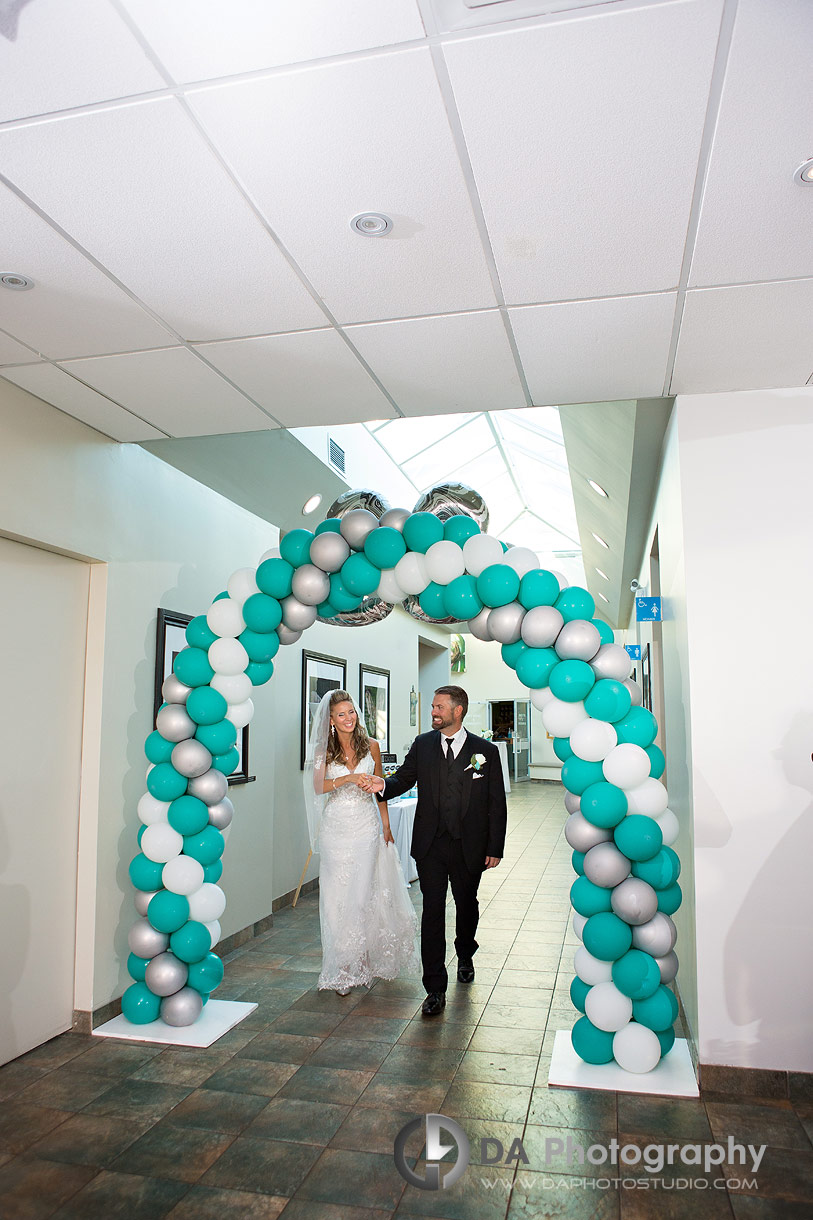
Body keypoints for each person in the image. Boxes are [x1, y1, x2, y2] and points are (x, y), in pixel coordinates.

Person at [362, 685, 507, 1017]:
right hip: (431, 845)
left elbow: (495, 803)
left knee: (467, 905)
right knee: (432, 911)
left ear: (457, 711)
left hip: (470, 845)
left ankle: (466, 951)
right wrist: (381, 784)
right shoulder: (423, 745)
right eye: (432, 707)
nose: (433, 712)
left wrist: (494, 846)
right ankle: (435, 988)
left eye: (439, 707)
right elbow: (403, 779)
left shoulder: (483, 751)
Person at [303, 690, 419, 995]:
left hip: (367, 826)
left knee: (363, 893)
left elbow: (380, 789)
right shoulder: (322, 751)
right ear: (330, 719)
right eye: (341, 714)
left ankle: (363, 961)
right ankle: (342, 966)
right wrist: (347, 779)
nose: (349, 719)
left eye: (351, 712)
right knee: (337, 896)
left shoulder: (372, 747)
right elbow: (318, 787)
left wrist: (386, 825)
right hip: (337, 829)